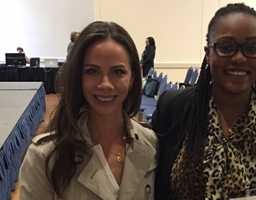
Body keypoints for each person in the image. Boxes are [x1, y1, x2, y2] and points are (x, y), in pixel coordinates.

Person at [151, 3, 256, 200]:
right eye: (226, 47)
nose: (239, 58)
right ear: (208, 52)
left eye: (252, 47)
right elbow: (155, 189)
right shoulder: (174, 108)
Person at [19, 21, 158, 199]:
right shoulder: (45, 156)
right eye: (92, 71)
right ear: (79, 77)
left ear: (132, 78)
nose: (105, 84)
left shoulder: (151, 144)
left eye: (117, 72)